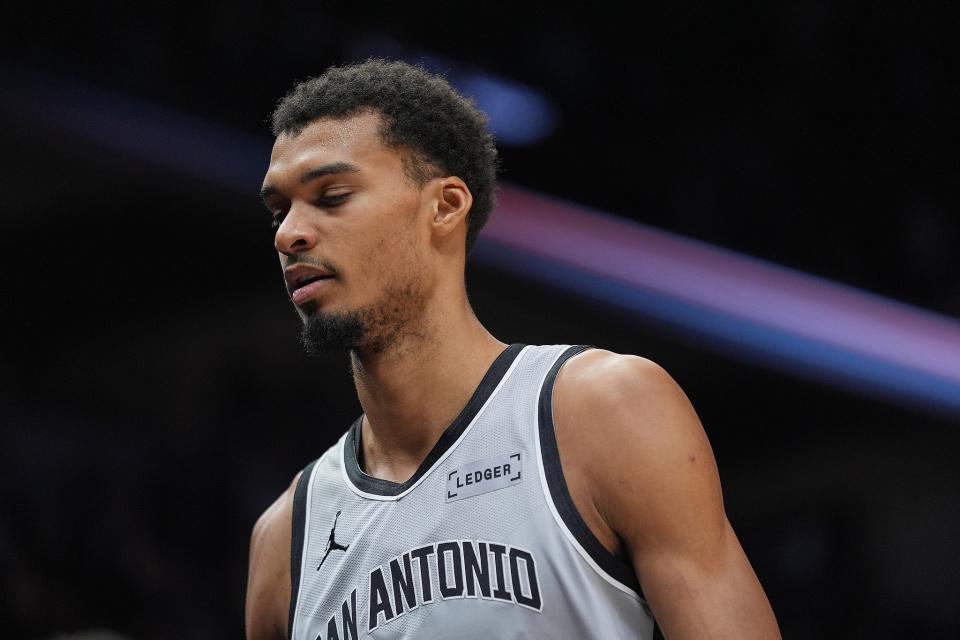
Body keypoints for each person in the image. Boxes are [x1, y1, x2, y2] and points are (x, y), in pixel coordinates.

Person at [245, 57, 781, 640]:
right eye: (279, 211)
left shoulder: (603, 411)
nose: (288, 234)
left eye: (331, 196)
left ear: (445, 205)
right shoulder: (285, 539)